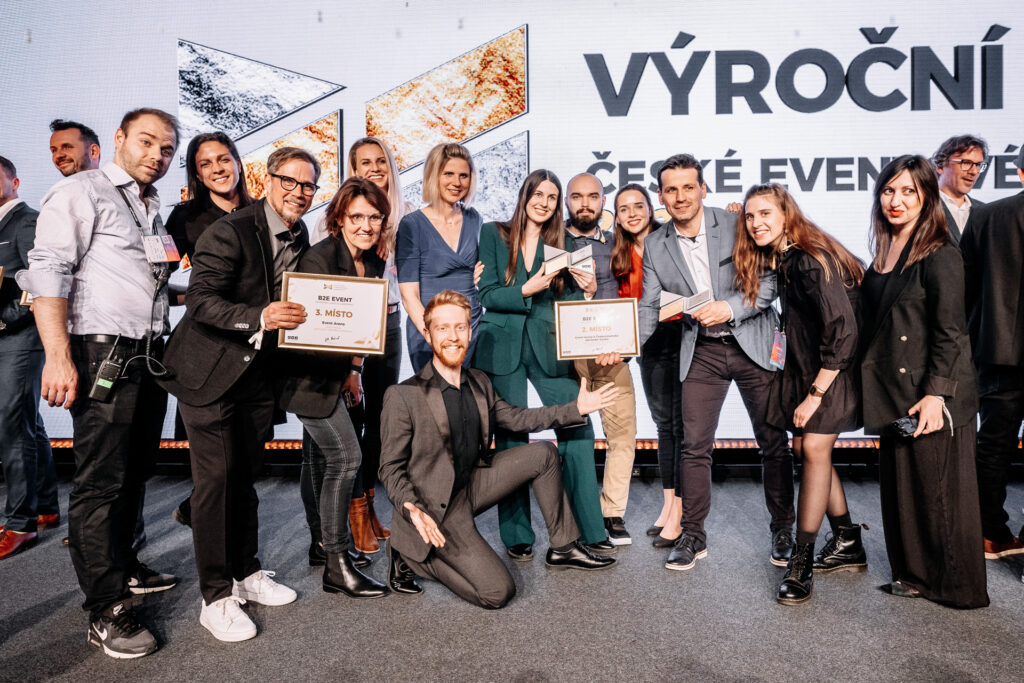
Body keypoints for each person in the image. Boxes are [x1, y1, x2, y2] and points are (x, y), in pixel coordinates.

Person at [17, 109, 182, 659]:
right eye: (147, 142)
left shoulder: (149, 205)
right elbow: (48, 273)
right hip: (100, 352)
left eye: (166, 148)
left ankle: (125, 566)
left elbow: (144, 281)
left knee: (134, 472)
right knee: (100, 484)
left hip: (147, 355)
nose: (156, 155)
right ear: (118, 139)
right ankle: (105, 608)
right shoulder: (80, 192)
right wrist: (58, 357)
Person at [160, 147, 316, 642]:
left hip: (256, 374)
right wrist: (260, 316)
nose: (298, 192)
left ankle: (245, 572)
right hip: (208, 371)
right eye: (289, 181)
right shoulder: (229, 230)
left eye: (308, 185)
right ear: (267, 180)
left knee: (245, 477)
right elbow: (201, 301)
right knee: (215, 484)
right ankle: (215, 597)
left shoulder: (300, 233)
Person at [379, 290, 617, 608]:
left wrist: (577, 408)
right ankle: (411, 557)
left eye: (460, 327)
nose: (453, 337)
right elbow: (390, 468)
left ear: (470, 331)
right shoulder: (403, 395)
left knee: (543, 454)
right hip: (434, 507)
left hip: (472, 485)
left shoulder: (479, 381)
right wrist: (411, 507)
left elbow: (518, 419)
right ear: (427, 333)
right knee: (497, 593)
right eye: (442, 328)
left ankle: (564, 547)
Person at [638, 154, 795, 572]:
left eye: (689, 187)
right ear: (661, 196)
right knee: (694, 447)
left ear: (703, 189)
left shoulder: (737, 223)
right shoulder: (655, 243)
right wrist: (623, 347)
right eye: (671, 189)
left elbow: (769, 282)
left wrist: (729, 308)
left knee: (773, 442)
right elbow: (649, 306)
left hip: (752, 342)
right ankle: (693, 534)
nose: (681, 196)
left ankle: (783, 529)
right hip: (702, 350)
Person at [860, 154, 987, 608]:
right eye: (888, 190)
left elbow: (952, 332)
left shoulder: (939, 251)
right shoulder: (885, 248)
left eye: (908, 191)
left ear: (926, 196)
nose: (896, 200)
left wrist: (937, 394)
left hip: (931, 393)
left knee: (939, 496)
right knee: (905, 493)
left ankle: (958, 588)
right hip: (895, 390)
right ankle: (915, 576)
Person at [734, 183, 867, 604]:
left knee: (812, 449)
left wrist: (815, 394)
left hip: (830, 372)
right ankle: (847, 539)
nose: (756, 223)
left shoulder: (809, 259)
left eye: (765, 214)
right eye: (750, 216)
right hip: (808, 369)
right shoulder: (789, 256)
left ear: (786, 214)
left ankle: (801, 562)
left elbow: (843, 331)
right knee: (804, 450)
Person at [474, 169, 613, 558]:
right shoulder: (493, 233)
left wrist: (588, 293)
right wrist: (525, 289)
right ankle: (517, 535)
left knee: (578, 426)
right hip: (502, 345)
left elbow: (568, 303)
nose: (544, 202)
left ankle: (591, 529)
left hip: (550, 345)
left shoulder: (565, 243)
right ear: (525, 195)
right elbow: (486, 294)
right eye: (538, 194)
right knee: (511, 439)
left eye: (552, 197)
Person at [277, 177, 390, 598]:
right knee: (346, 457)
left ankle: (322, 546)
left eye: (374, 217)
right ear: (339, 218)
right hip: (305, 376)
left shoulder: (373, 262)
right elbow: (308, 333)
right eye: (356, 216)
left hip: (336, 373)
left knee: (319, 459)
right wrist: (341, 360)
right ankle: (336, 564)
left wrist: (354, 369)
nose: (366, 225)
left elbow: (362, 327)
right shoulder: (318, 259)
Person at [163, 132, 254, 527]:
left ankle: (208, 514)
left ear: (237, 162)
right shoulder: (183, 218)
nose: (217, 169)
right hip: (209, 346)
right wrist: (196, 299)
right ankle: (207, 521)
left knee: (248, 455)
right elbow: (158, 281)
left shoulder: (261, 211)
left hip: (255, 347)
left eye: (223, 159)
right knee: (217, 460)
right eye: (206, 164)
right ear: (197, 174)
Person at [564, 173, 638, 546]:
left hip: (612, 356)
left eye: (592, 196)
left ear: (603, 201)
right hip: (566, 357)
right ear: (567, 201)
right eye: (577, 196)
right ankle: (578, 513)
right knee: (576, 438)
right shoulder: (551, 243)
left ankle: (612, 512)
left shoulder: (618, 242)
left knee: (623, 435)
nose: (585, 204)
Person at [960, 146, 1024, 559]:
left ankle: (990, 535)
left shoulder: (985, 216)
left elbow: (965, 288)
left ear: (1020, 173)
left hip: (996, 350)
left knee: (993, 445)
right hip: (995, 350)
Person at [610, 183, 683, 542]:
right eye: (624, 209)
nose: (632, 214)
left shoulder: (671, 240)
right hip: (647, 341)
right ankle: (669, 506)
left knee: (683, 426)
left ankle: (681, 511)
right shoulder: (617, 254)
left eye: (638, 206)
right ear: (617, 217)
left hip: (683, 334)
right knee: (664, 424)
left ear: (651, 208)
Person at [0, 156, 60, 559]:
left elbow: (40, 282)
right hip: (7, 339)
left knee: (11, 426)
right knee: (27, 423)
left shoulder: (27, 221)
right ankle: (46, 507)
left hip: (21, 339)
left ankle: (20, 524)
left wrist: (7, 318)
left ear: (15, 181)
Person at [396, 142, 482, 371]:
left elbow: (482, 269)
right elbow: (409, 296)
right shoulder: (411, 225)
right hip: (429, 331)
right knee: (436, 393)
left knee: (472, 393)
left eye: (463, 175)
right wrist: (433, 334)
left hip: (471, 328)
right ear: (434, 176)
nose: (457, 182)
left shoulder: (474, 218)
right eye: (448, 174)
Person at [931, 134, 988, 244]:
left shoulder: (985, 211)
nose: (974, 171)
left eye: (978, 165)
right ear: (940, 166)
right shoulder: (923, 207)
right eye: (966, 163)